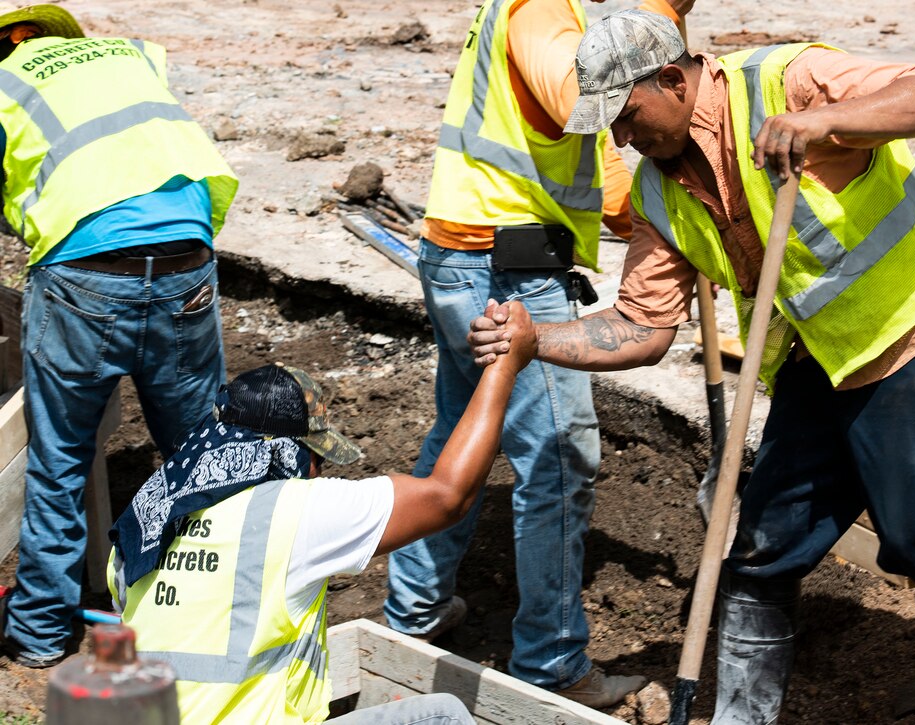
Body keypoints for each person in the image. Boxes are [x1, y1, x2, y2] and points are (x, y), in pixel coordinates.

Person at [468, 9, 915, 723]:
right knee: (762, 550)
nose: (622, 139)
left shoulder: (787, 80)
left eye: (629, 116)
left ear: (671, 78)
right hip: (819, 357)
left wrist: (831, 122)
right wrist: (534, 339)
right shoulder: (658, 190)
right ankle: (740, 716)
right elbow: (640, 326)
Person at [382, 0, 692, 708]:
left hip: (470, 254)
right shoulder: (542, 11)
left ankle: (413, 613)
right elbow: (584, 103)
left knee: (462, 432)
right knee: (558, 455)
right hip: (504, 269)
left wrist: (646, 212)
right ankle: (552, 663)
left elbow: (585, 140)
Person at [108, 308, 534, 724]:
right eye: (315, 456)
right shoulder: (289, 513)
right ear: (284, 452)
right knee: (444, 715)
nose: (319, 470)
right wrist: (504, 368)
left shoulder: (145, 520)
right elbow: (448, 496)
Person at [0, 3, 238, 668]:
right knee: (201, 452)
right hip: (187, 260)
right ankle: (211, 610)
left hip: (84, 276)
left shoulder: (6, 84)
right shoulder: (129, 56)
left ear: (10, 41)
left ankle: (42, 634)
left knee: (59, 461)